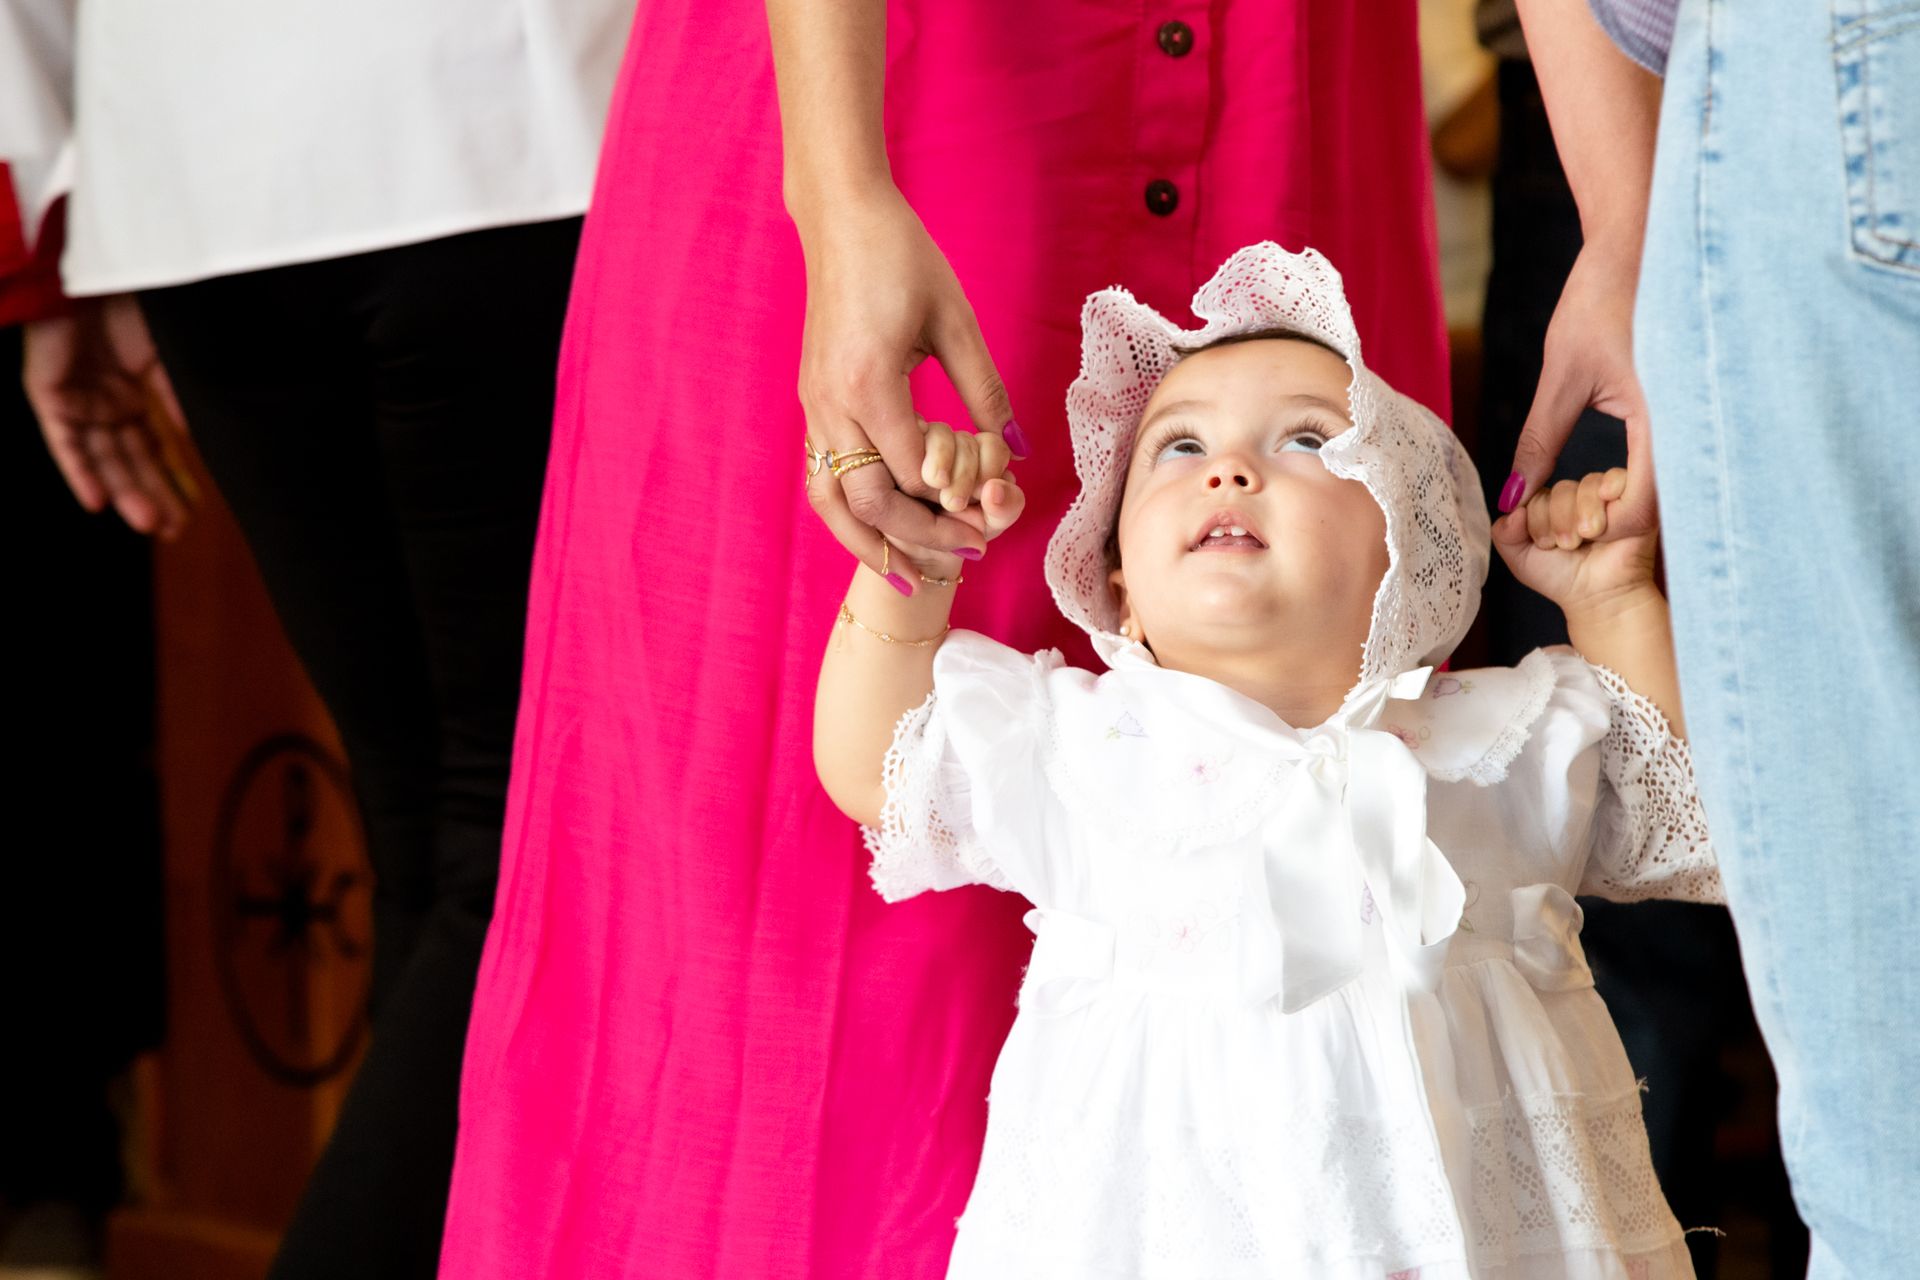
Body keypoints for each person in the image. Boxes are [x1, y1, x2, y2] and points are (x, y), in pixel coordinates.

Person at [437, 3, 1454, 1275]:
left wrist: (1627, 230)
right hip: (889, 107)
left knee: (1314, 802)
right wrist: (843, 189)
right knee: (801, 935)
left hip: (1284, 97)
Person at [811, 242, 1721, 1277]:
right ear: (1120, 577)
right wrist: (916, 567)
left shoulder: (1497, 735)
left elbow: (1682, 818)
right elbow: (876, 766)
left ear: (1412, 551)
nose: (1228, 467)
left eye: (1307, 441)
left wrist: (1612, 600)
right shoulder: (1076, 740)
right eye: (1176, 445)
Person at [3, 3, 632, 1274]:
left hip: (186, 178)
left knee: (441, 846)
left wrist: (46, 236)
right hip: (500, 142)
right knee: (508, 840)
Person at [1500, 3, 1920, 1274]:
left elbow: (1681, 833)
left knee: (1893, 1153)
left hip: (1832, 63)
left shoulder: (1461, 742)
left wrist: (1630, 221)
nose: (1233, 480)